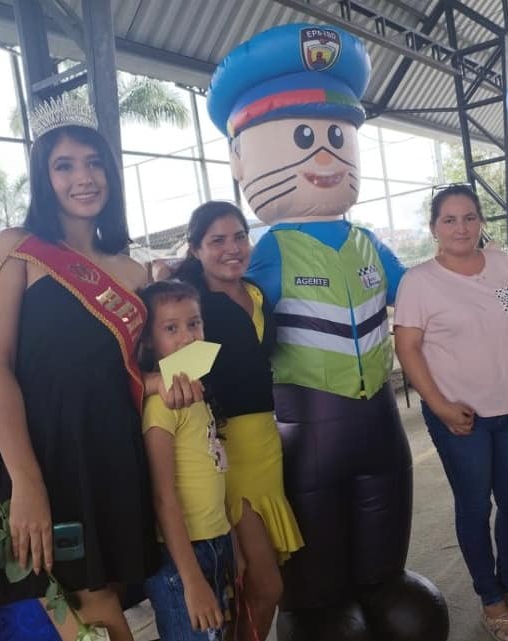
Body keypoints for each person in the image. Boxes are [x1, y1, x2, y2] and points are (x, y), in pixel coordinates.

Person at [206, 24, 448, 641]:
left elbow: (422, 293)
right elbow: (223, 322)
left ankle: (383, 582)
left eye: (336, 137)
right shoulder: (266, 250)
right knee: (315, 530)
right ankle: (316, 603)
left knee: (384, 509)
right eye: (303, 137)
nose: (324, 156)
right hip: (305, 422)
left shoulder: (368, 242)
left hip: (380, 416)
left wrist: (495, 290)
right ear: (241, 160)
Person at [0, 96, 157, 641]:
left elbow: (139, 372)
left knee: (105, 599)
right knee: (70, 605)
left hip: (111, 457)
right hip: (38, 455)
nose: (84, 177)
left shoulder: (134, 272)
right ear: (44, 177)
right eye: (64, 165)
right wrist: (26, 482)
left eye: (94, 163)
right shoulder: (16, 250)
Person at [394, 184, 508, 641]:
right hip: (460, 416)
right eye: (449, 220)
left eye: (469, 217)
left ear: (481, 221)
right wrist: (440, 407)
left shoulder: (505, 266)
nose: (461, 228)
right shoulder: (420, 281)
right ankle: (491, 599)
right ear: (434, 228)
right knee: (476, 505)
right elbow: (407, 347)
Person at [173, 200, 303, 641]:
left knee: (250, 588)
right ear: (195, 249)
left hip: (266, 444)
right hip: (226, 453)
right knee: (265, 587)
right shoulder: (194, 310)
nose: (232, 248)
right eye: (217, 241)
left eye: (239, 237)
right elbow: (175, 378)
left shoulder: (256, 294)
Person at [139, 280, 236, 641]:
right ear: (149, 340)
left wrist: (232, 545)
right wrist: (192, 581)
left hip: (215, 541)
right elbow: (163, 498)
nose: (187, 338)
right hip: (183, 558)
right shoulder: (160, 405)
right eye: (171, 328)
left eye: (194, 323)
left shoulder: (197, 393)